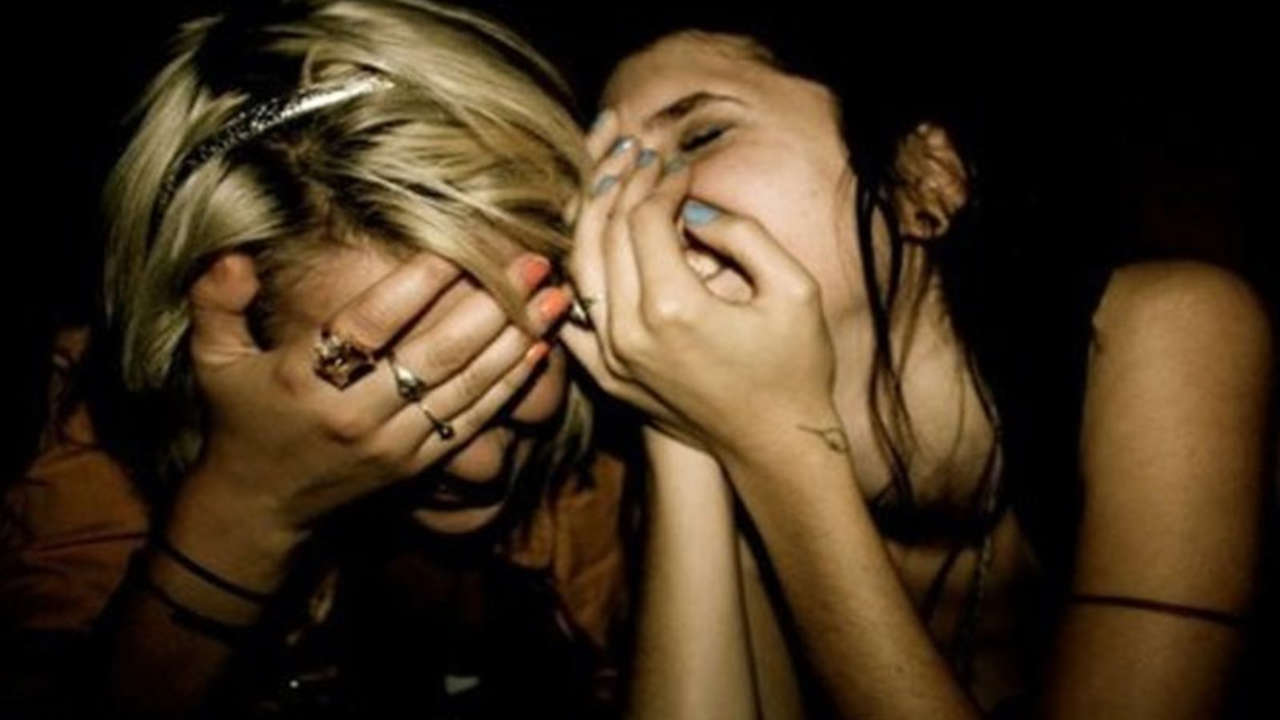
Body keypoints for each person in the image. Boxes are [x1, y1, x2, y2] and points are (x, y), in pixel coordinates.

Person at [561, 17, 1275, 719]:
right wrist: (677, 421)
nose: (632, 205)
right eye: (606, 174)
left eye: (700, 137)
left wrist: (776, 445)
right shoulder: (703, 465)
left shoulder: (1170, 327)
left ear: (924, 180)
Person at [2, 2, 632, 717]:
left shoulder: (611, 455)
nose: (480, 465)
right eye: (374, 383)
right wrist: (244, 513)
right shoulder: (105, 454)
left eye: (498, 355)